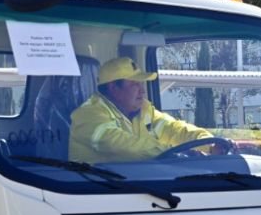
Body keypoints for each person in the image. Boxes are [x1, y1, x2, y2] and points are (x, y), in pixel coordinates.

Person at [69, 56, 214, 163]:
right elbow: (123, 146)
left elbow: (174, 129)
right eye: (134, 84)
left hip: (132, 188)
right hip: (94, 195)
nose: (142, 90)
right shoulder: (89, 114)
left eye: (141, 84)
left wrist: (209, 144)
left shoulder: (143, 110)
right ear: (113, 88)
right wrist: (175, 153)